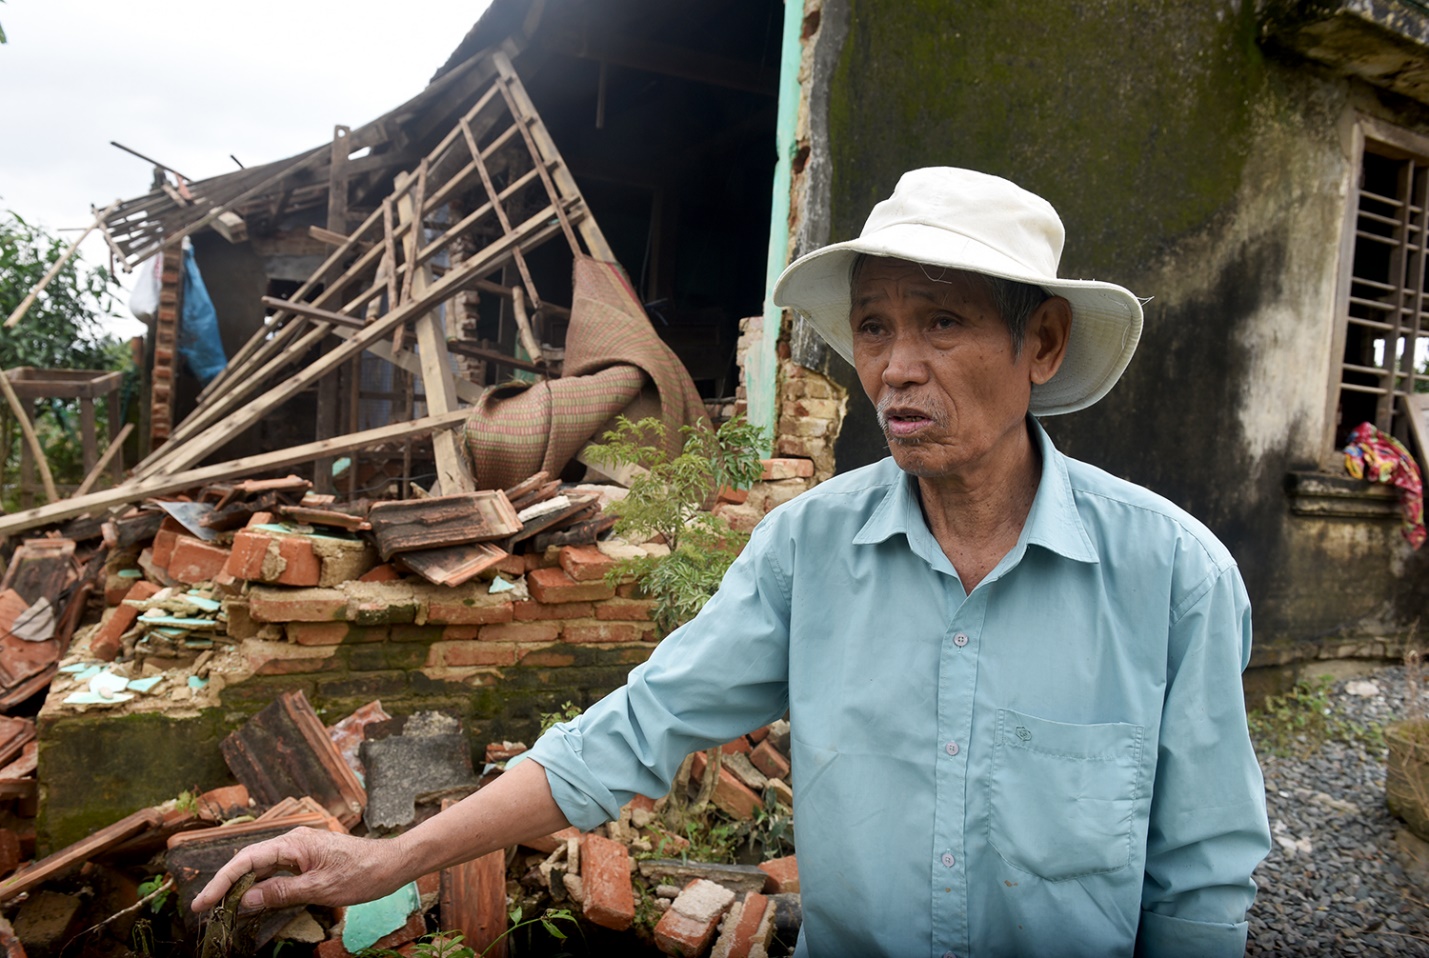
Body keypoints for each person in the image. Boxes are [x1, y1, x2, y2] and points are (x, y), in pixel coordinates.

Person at [194, 168, 1271, 957]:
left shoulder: (1172, 578)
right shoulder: (810, 551)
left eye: (941, 322)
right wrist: (387, 859)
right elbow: (625, 735)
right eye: (875, 327)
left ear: (1038, 346)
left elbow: (1200, 884)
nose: (895, 367)